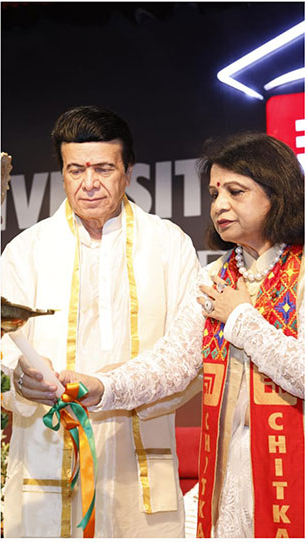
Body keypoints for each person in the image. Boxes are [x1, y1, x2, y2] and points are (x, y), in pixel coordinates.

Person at [59, 133, 303, 537]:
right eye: (214, 193)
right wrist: (103, 386)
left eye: (236, 191)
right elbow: (172, 364)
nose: (219, 206)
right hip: (229, 471)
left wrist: (240, 318)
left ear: (277, 194)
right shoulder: (215, 277)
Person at [0, 106, 199, 538]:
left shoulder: (169, 245)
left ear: (127, 172)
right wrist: (19, 377)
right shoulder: (25, 250)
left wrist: (107, 388)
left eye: (104, 168)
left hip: (138, 463)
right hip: (48, 460)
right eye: (75, 170)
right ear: (63, 174)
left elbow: (188, 355)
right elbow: (5, 346)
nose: (89, 183)